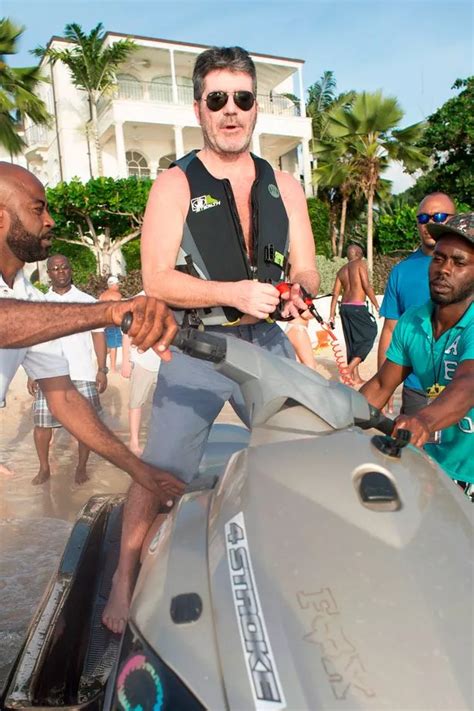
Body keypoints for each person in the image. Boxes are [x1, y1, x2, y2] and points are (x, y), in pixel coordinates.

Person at [102, 45, 320, 633]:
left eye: (243, 99)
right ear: (199, 107)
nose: (231, 110)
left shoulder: (286, 186)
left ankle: (294, 570)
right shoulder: (174, 183)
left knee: (304, 452)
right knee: (161, 470)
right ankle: (123, 580)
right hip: (198, 348)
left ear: (256, 109)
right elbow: (156, 279)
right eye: (217, 99)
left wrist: (295, 289)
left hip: (268, 346)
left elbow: (308, 269)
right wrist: (237, 291)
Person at [0, 161, 183, 501]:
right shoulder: (24, 306)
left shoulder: (25, 293)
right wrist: (111, 311)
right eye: (38, 209)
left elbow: (66, 399)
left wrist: (138, 470)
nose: (50, 220)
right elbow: (5, 324)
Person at [361, 213, 474, 497]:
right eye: (439, 258)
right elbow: (380, 386)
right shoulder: (413, 321)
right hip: (436, 468)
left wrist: (422, 420)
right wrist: (335, 413)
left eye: (459, 262)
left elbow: (468, 383)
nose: (444, 269)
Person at [28, 254, 108, 485]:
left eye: (64, 267)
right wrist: (32, 373)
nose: (60, 271)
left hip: (82, 372)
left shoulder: (87, 301)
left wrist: (102, 369)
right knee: (42, 425)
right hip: (48, 373)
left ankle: (81, 467)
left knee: (86, 425)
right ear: (48, 273)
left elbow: (98, 335)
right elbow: (33, 339)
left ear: (70, 270)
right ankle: (44, 468)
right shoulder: (39, 303)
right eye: (55, 268)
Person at [378, 193, 456, 413]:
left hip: (464, 386)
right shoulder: (401, 272)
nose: (429, 223)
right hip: (418, 389)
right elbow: (390, 330)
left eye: (439, 216)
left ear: (455, 219)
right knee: (415, 447)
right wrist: (385, 388)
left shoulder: (469, 268)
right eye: (423, 218)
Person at [329, 243, 379, 386]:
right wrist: (376, 304)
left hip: (344, 308)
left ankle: (355, 378)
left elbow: (335, 294)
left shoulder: (341, 270)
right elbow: (366, 284)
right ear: (359, 254)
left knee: (352, 342)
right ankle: (348, 369)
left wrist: (331, 315)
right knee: (370, 333)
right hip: (357, 307)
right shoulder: (360, 264)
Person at [121, 330, 161, 457]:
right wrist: (126, 362)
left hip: (164, 363)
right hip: (141, 363)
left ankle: (158, 443)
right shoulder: (134, 311)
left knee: (163, 406)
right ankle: (134, 442)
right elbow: (126, 335)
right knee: (135, 403)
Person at [99, 275, 123, 373]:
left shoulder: (102, 296)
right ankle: (112, 368)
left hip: (103, 324)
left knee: (107, 346)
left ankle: (101, 361)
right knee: (113, 347)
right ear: (113, 285)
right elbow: (119, 311)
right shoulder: (117, 296)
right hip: (113, 324)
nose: (118, 287)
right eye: (117, 284)